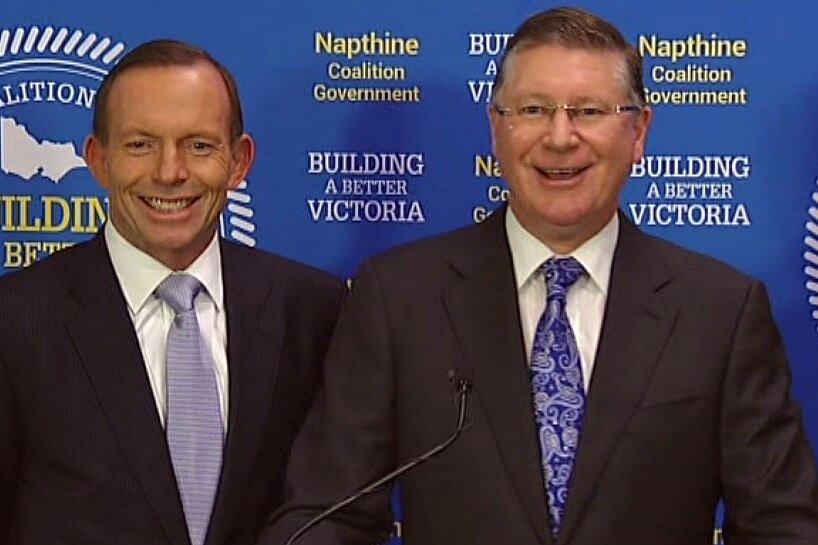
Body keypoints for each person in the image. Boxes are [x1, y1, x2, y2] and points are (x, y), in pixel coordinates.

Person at [258, 7, 818, 545]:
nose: (559, 137)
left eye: (589, 112)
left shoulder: (720, 309)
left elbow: (781, 525)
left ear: (639, 132)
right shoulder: (399, 297)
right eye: (532, 110)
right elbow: (328, 514)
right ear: (496, 129)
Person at [0, 39, 345, 545]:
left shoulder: (315, 310)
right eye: (141, 144)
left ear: (239, 162)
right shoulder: (16, 319)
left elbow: (337, 509)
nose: (169, 172)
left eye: (199, 145)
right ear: (98, 160)